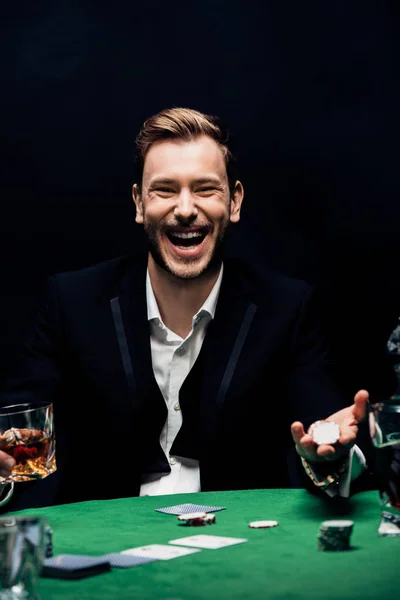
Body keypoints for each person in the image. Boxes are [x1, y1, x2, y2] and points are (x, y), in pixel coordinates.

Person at [0, 108, 369, 511]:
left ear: (234, 201)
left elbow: (325, 433)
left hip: (240, 547)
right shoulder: (71, 302)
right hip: (99, 549)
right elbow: (19, 427)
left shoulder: (287, 308)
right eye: (165, 190)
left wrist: (327, 453)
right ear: (140, 203)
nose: (185, 208)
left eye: (205, 189)